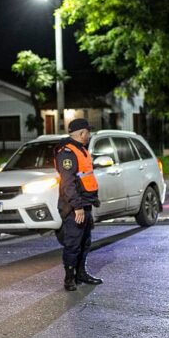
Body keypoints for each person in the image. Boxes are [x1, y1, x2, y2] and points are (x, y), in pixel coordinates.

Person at [55, 118, 102, 291]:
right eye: (87, 132)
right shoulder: (67, 152)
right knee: (73, 243)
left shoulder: (81, 150)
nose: (89, 135)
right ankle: (69, 279)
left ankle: (81, 273)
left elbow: (85, 177)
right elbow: (68, 183)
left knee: (85, 242)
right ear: (82, 133)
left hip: (85, 203)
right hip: (74, 207)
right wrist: (77, 207)